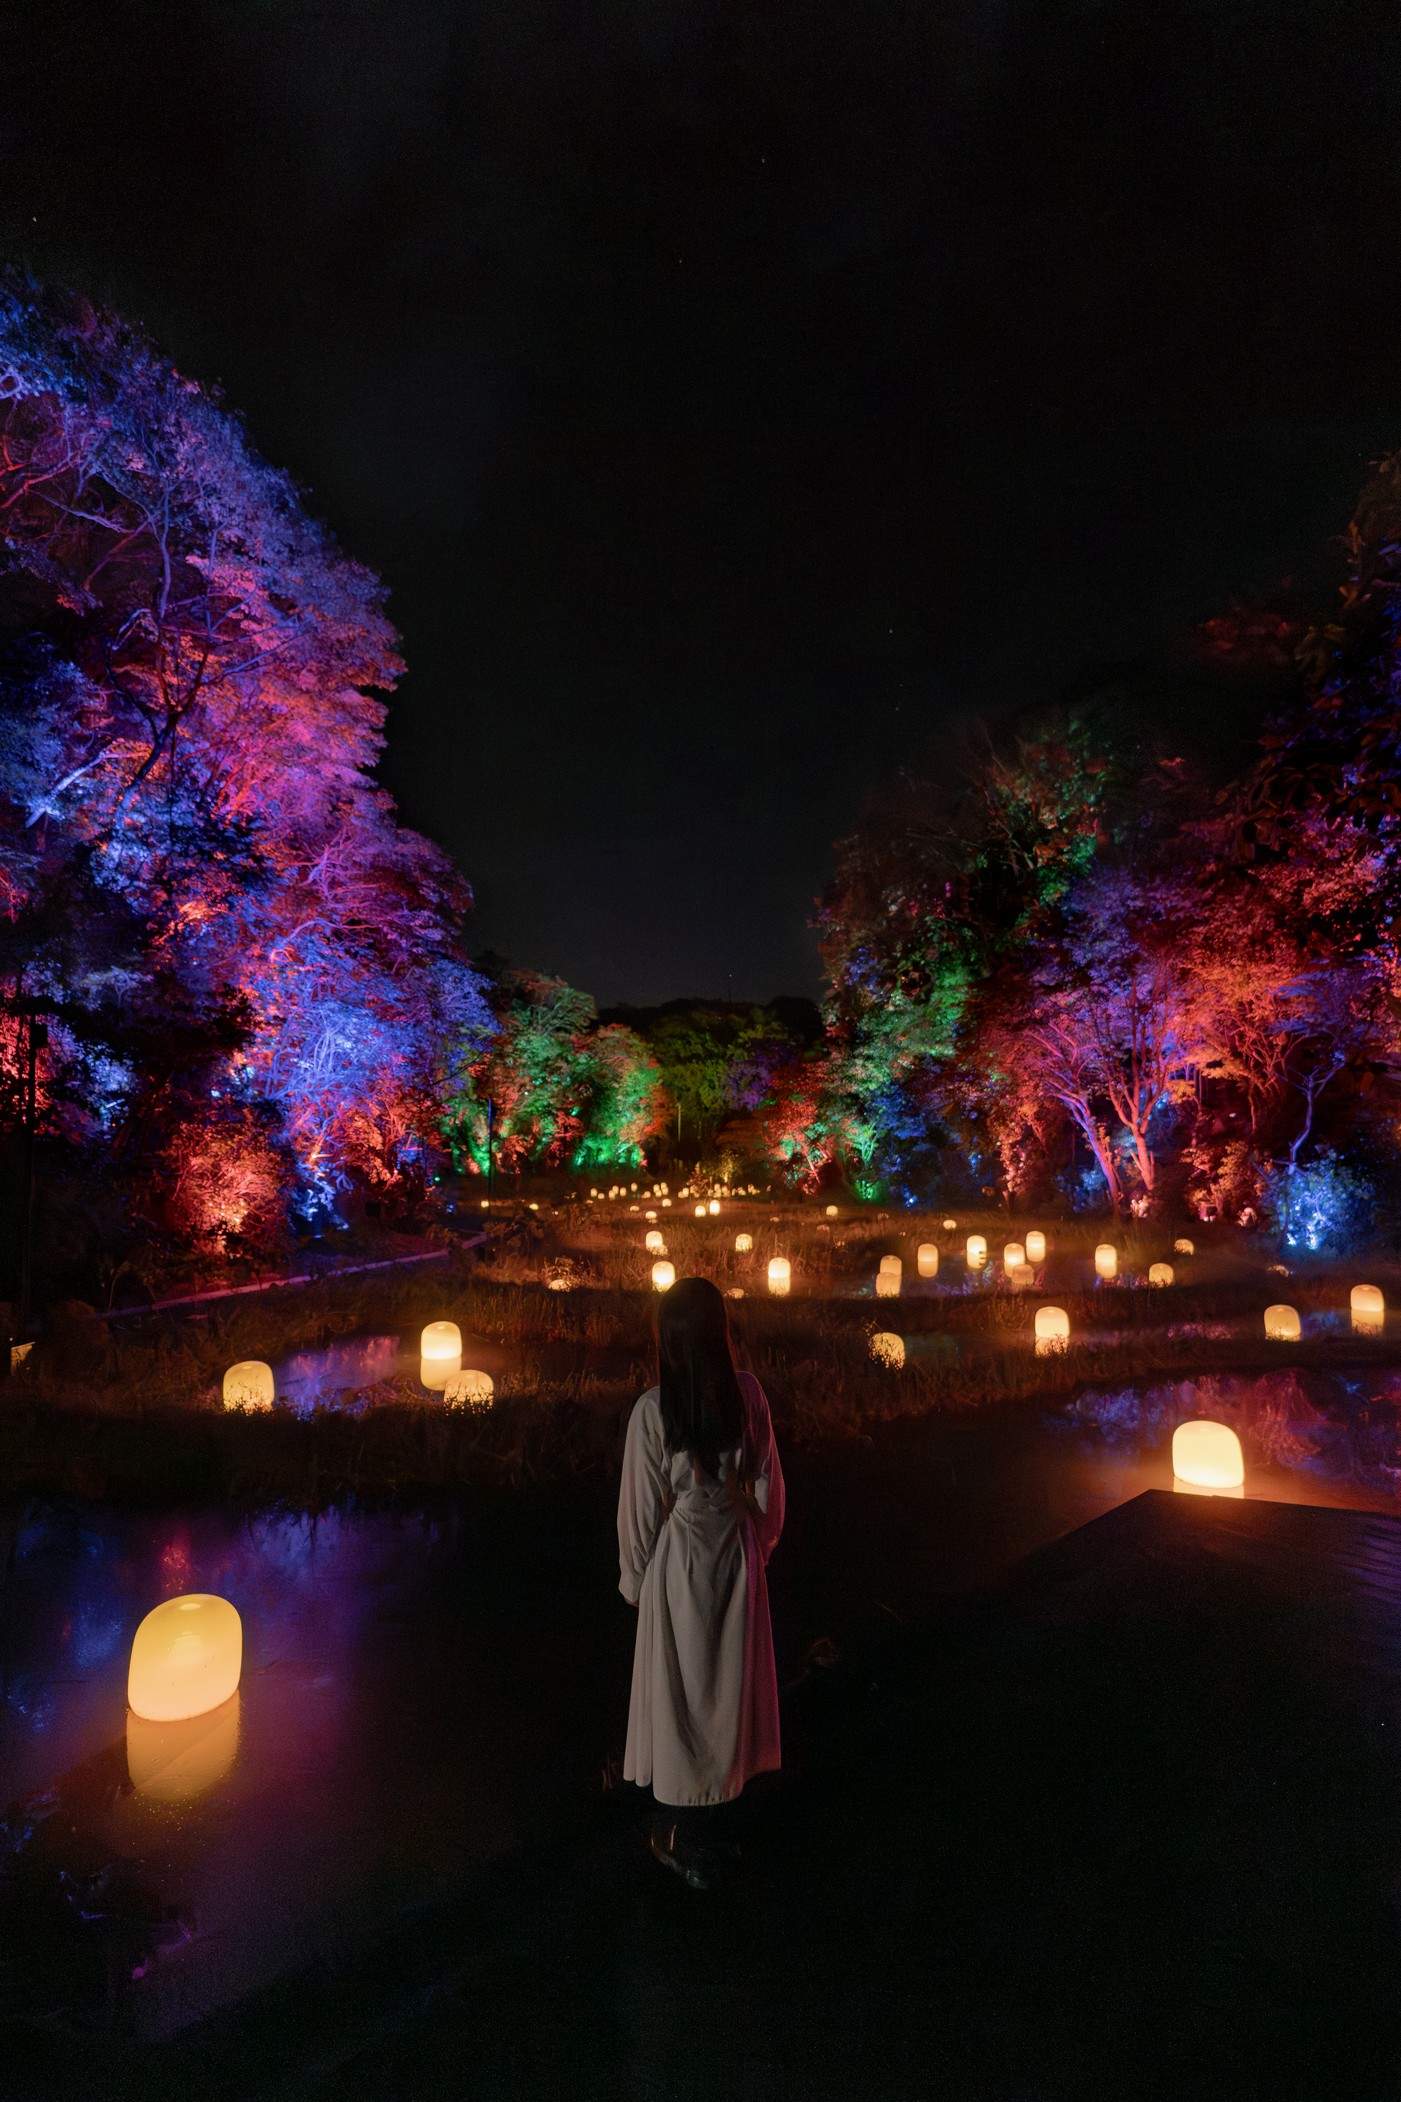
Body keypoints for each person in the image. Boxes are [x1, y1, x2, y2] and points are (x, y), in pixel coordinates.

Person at [617, 1274, 785, 1889]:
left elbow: (638, 1512)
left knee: (683, 1690)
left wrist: (636, 1584)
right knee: (729, 1685)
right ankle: (723, 1816)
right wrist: (758, 1546)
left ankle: (683, 1833)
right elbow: (768, 1486)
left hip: (681, 1560)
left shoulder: (652, 1412)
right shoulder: (747, 1395)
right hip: (733, 1550)